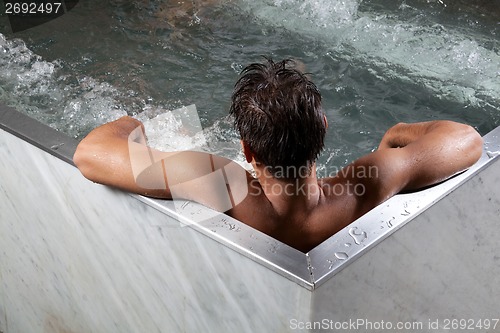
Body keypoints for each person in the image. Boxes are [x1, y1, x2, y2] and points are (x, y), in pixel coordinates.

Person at [73, 58, 483, 252]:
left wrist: (133, 124)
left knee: (179, 132)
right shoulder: (364, 186)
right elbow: (466, 139)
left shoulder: (223, 183)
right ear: (323, 128)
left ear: (247, 149)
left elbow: (90, 153)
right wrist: (396, 134)